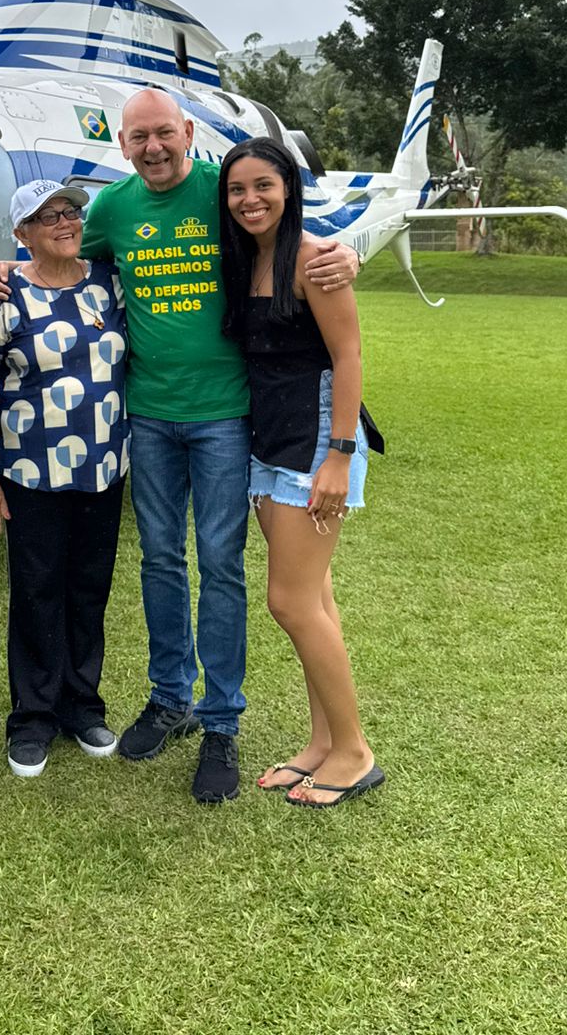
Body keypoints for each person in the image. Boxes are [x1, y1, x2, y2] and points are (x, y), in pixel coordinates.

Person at [0, 88, 359, 804]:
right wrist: (1, 270)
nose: (153, 147)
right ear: (122, 144)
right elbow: (57, 254)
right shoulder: (111, 209)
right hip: (149, 416)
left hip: (226, 416)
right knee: (160, 560)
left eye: (164, 133)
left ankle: (221, 721)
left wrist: (344, 256)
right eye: (139, 138)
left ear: (187, 132)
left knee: (221, 565)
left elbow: (285, 231)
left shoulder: (224, 193)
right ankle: (169, 699)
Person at [219, 136, 384, 808]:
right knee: (315, 598)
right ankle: (323, 742)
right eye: (237, 189)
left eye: (264, 185)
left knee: (289, 602)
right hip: (270, 438)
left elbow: (348, 356)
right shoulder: (249, 257)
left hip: (316, 441)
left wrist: (339, 457)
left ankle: (354, 753)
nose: (250, 199)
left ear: (288, 187)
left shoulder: (314, 260)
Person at [0, 179, 128, 778]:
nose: (65, 222)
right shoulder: (5, 296)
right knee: (36, 591)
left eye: (70, 212)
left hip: (104, 469)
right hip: (31, 474)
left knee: (89, 589)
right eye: (47, 216)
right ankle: (32, 717)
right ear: (22, 233)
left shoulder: (109, 282)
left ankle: (82, 705)